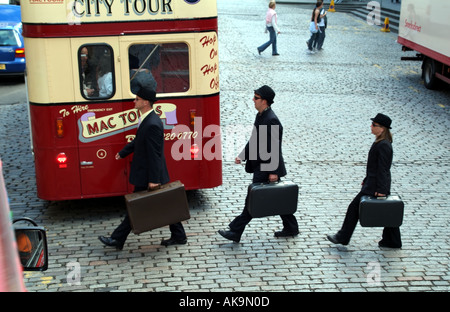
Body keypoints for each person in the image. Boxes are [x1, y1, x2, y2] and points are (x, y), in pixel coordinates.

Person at [98, 88, 187, 250]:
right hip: (148, 173)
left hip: (148, 174)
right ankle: (179, 235)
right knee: (165, 203)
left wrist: (154, 179)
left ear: (145, 102)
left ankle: (117, 239)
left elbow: (154, 154)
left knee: (136, 206)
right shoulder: (147, 119)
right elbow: (139, 141)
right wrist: (123, 152)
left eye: (137, 99)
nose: (134, 101)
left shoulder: (151, 123)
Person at [218, 85, 299, 243]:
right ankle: (291, 227)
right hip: (261, 165)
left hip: (267, 166)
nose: (253, 100)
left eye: (256, 98)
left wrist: (273, 171)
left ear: (265, 101)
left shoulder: (271, 120)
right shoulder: (261, 116)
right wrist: (242, 155)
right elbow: (254, 140)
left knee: (253, 199)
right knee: (278, 198)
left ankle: (235, 231)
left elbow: (274, 147)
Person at [327, 113, 402, 248]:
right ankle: (392, 240)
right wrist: (366, 178)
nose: (371, 126)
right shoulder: (380, 142)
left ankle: (343, 236)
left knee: (354, 208)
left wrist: (381, 190)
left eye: (374, 125)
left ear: (382, 128)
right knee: (387, 211)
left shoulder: (383, 145)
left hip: (375, 185)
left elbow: (383, 169)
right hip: (373, 182)